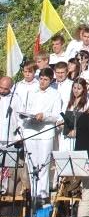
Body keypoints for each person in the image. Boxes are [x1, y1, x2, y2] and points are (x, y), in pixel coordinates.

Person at [16, 66, 61, 202]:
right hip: (30, 130)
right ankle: (34, 194)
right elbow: (23, 109)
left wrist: (44, 116)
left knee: (43, 164)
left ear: (51, 80)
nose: (42, 82)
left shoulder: (55, 94)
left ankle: (43, 195)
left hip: (45, 132)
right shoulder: (31, 91)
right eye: (40, 79)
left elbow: (57, 115)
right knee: (31, 164)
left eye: (45, 79)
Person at [60, 77, 89, 151]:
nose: (76, 91)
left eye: (79, 89)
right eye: (74, 88)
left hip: (79, 138)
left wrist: (77, 131)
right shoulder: (68, 102)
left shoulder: (87, 104)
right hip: (66, 137)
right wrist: (60, 124)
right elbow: (60, 117)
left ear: (83, 90)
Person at [0, 76, 17, 194]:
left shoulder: (15, 99)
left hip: (9, 138)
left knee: (7, 167)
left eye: (5, 89)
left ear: (11, 88)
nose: (2, 91)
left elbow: (18, 119)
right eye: (0, 87)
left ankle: (4, 190)